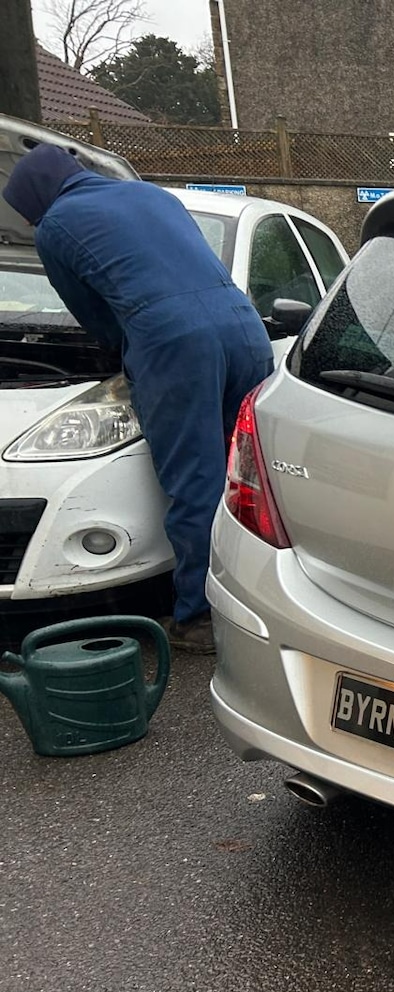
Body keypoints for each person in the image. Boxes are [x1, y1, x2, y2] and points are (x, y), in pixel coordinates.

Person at [3, 144, 273, 654]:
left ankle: (196, 617)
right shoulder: (151, 195)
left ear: (35, 199)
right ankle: (265, 603)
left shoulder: (55, 226)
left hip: (176, 342)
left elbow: (96, 317)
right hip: (244, 328)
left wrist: (129, 353)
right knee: (248, 480)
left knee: (195, 480)